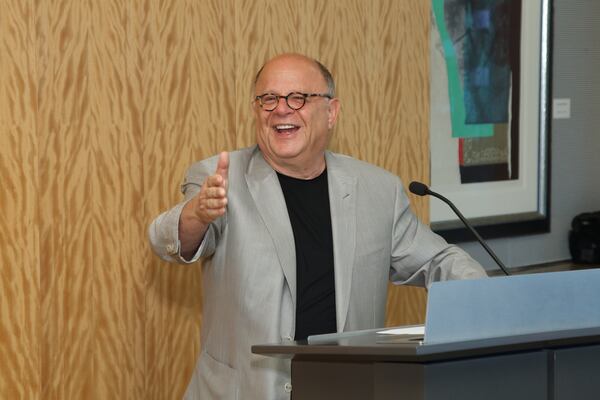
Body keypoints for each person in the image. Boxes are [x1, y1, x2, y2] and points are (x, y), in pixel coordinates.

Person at [148, 53, 487, 400]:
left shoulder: (377, 189)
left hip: (343, 388)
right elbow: (166, 241)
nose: (281, 109)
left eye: (298, 98)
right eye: (268, 99)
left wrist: (493, 300)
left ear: (331, 112)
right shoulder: (219, 178)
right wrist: (198, 214)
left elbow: (437, 261)